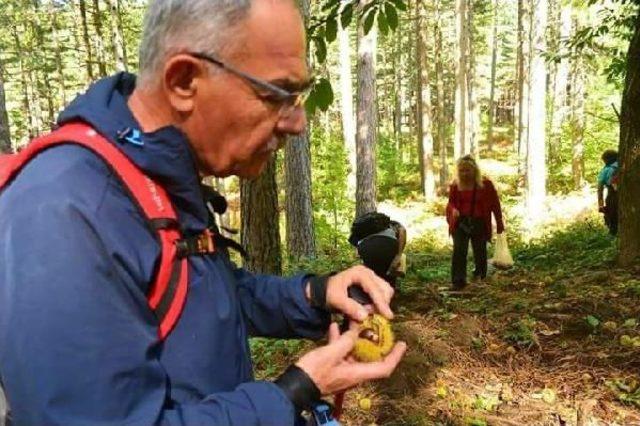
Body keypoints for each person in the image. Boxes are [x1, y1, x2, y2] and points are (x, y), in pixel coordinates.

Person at [0, 1, 407, 425]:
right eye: (277, 95)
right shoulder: (64, 211)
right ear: (183, 81)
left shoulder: (157, 175)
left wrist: (313, 295)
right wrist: (294, 392)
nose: (298, 122)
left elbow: (207, 299)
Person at [446, 155, 505, 290]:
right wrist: (453, 210)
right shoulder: (455, 185)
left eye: (468, 170)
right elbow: (451, 203)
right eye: (461, 171)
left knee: (480, 250)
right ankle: (458, 280)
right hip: (460, 222)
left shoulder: (486, 184)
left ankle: (481, 276)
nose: (465, 173)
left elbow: (495, 204)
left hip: (479, 221)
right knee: (459, 250)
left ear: (475, 170)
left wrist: (499, 222)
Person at [597, 149, 619, 236]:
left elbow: (600, 189)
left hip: (612, 197)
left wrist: (601, 205)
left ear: (606, 160)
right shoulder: (625, 164)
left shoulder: (605, 170)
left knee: (613, 222)